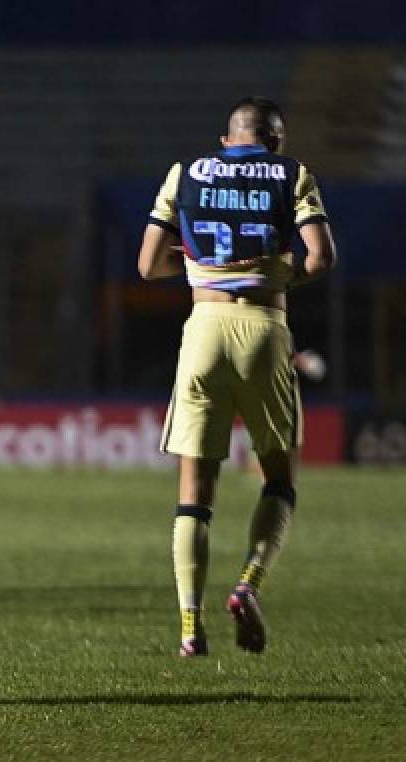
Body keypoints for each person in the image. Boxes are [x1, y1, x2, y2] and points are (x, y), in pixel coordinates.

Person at [138, 97, 337, 655]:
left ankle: (187, 626)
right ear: (275, 142)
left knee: (194, 492)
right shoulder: (292, 174)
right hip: (265, 329)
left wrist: (204, 265)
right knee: (278, 477)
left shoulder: (187, 172)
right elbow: (320, 257)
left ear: (227, 140)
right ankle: (248, 583)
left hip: (203, 330)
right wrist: (274, 273)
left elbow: (148, 264)